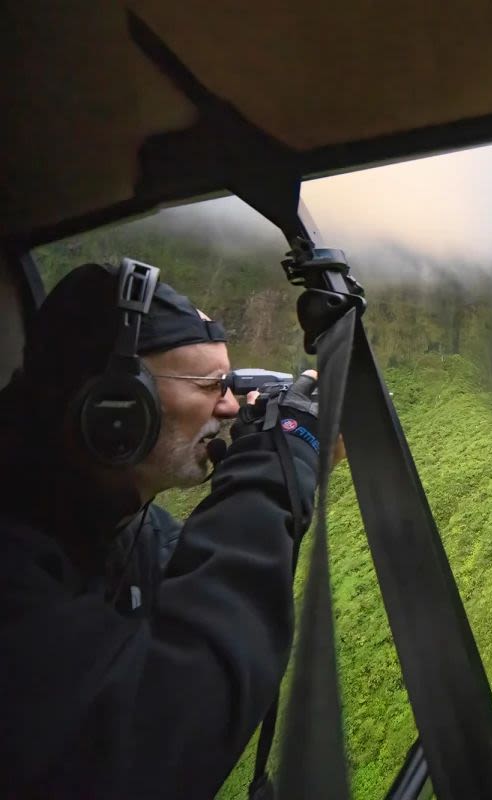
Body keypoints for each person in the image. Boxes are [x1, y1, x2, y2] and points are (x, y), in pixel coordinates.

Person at [0, 261, 323, 798]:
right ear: (117, 409)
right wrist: (277, 468)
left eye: (233, 383)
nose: (231, 405)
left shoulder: (141, 536)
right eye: (210, 385)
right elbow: (158, 730)